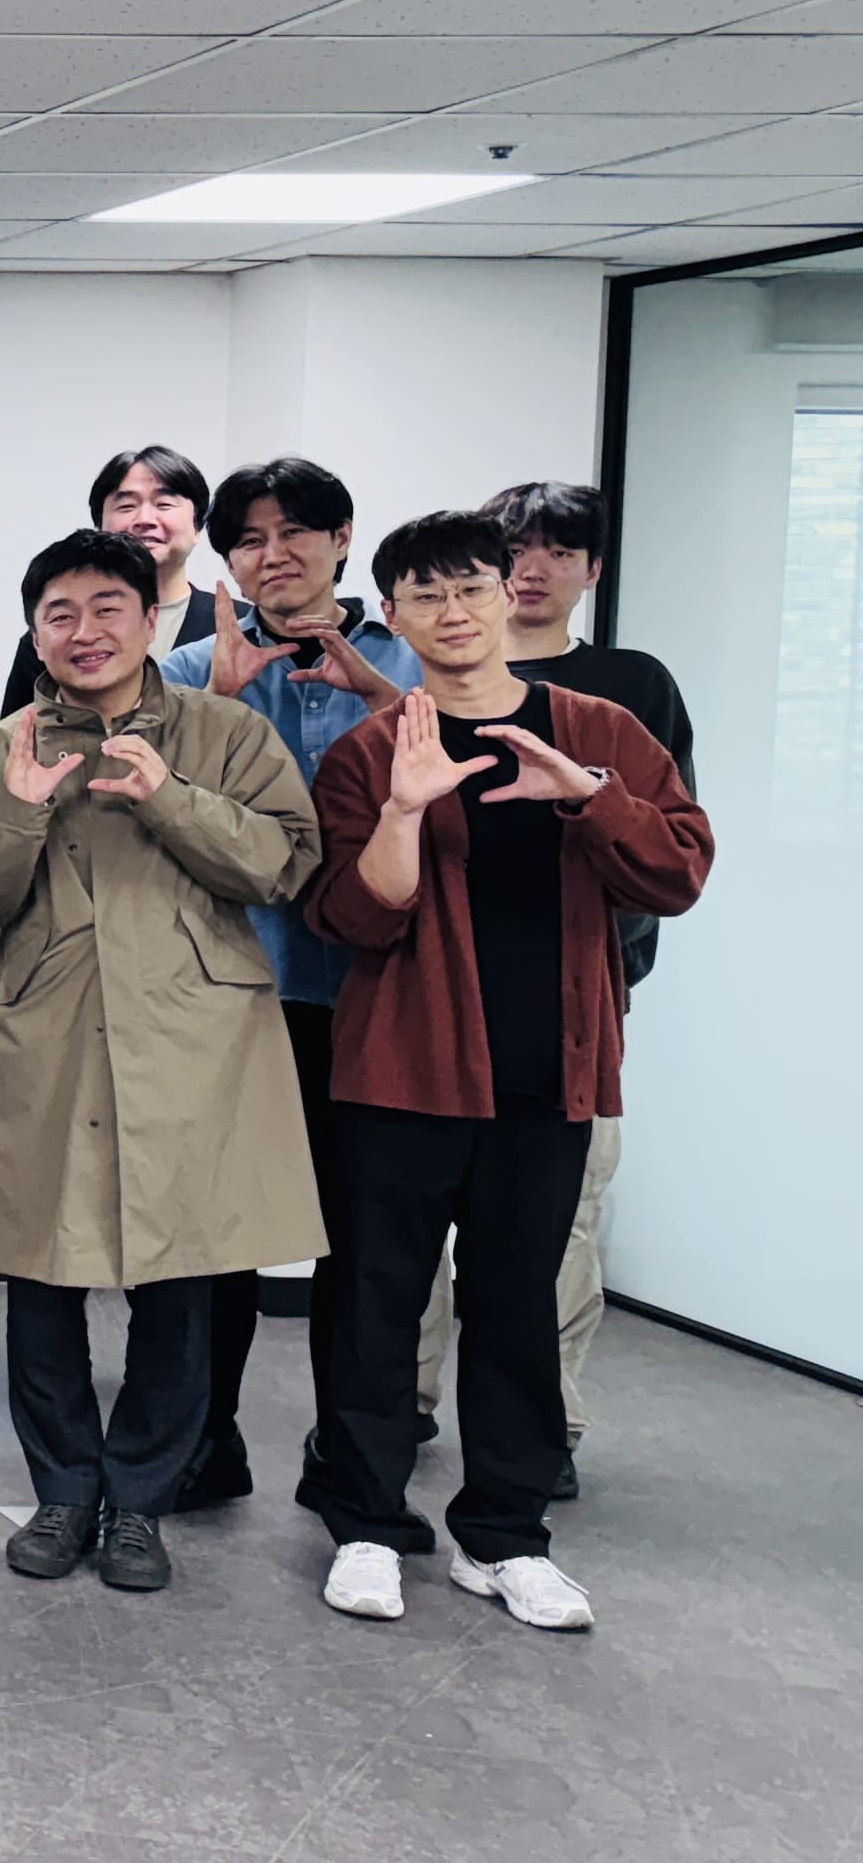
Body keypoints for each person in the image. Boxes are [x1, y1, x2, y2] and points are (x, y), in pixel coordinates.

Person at [299, 512, 708, 1632]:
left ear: (504, 593)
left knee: (520, 1306)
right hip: (402, 1072)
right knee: (378, 1305)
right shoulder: (373, 750)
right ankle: (366, 1522)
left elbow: (678, 871)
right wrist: (404, 806)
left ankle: (506, 1537)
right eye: (425, 595)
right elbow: (352, 918)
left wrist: (587, 794)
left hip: (548, 1072)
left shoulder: (599, 728)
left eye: (470, 586)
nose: (454, 611)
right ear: (393, 617)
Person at [0, 529, 320, 1597]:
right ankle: (64, 1492)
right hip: (43, 1033)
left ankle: (142, 1502)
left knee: (181, 1275)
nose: (85, 631)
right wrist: (19, 810)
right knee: (40, 1271)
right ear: (34, 635)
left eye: (108, 607)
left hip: (192, 1039)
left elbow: (285, 864)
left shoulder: (224, 733)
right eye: (58, 614)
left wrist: (168, 795)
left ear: (153, 619)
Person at [410, 480, 698, 1487]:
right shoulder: (422, 683)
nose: (533, 571)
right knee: (407, 1224)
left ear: (592, 570)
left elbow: (665, 843)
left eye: (560, 552)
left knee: (562, 1222)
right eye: (514, 553)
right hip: (426, 1009)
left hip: (570, 1008)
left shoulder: (626, 687)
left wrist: (604, 969)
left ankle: (549, 1424)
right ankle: (404, 1405)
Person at [151, 459, 416, 1511]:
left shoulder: (406, 660)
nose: (274, 555)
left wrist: (386, 703)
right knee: (217, 1236)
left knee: (366, 1244)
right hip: (233, 994)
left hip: (375, 998)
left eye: (296, 531)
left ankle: (348, 1464)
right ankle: (202, 1444)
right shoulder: (186, 669)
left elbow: (462, 798)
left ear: (344, 538)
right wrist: (212, 702)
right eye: (250, 540)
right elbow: (133, 808)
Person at [0, 446, 210, 714]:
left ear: (198, 525)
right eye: (126, 506)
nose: (144, 519)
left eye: (164, 504)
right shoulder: (54, 637)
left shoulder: (240, 627)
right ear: (100, 527)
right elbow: (20, 729)